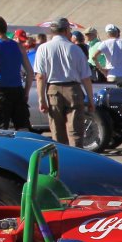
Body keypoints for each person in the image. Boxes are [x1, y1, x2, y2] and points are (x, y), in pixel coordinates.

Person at [34, 17, 94, 147]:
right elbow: (86, 77)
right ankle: (76, 157)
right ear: (66, 30)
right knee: (75, 132)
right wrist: (91, 99)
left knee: (57, 132)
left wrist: (41, 99)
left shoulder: (43, 48)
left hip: (53, 90)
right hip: (73, 90)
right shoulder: (75, 49)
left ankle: (60, 157)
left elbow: (40, 76)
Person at [0, 14, 34, 130]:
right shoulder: (19, 46)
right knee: (23, 128)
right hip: (17, 90)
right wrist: (26, 92)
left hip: (1, 91)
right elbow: (30, 72)